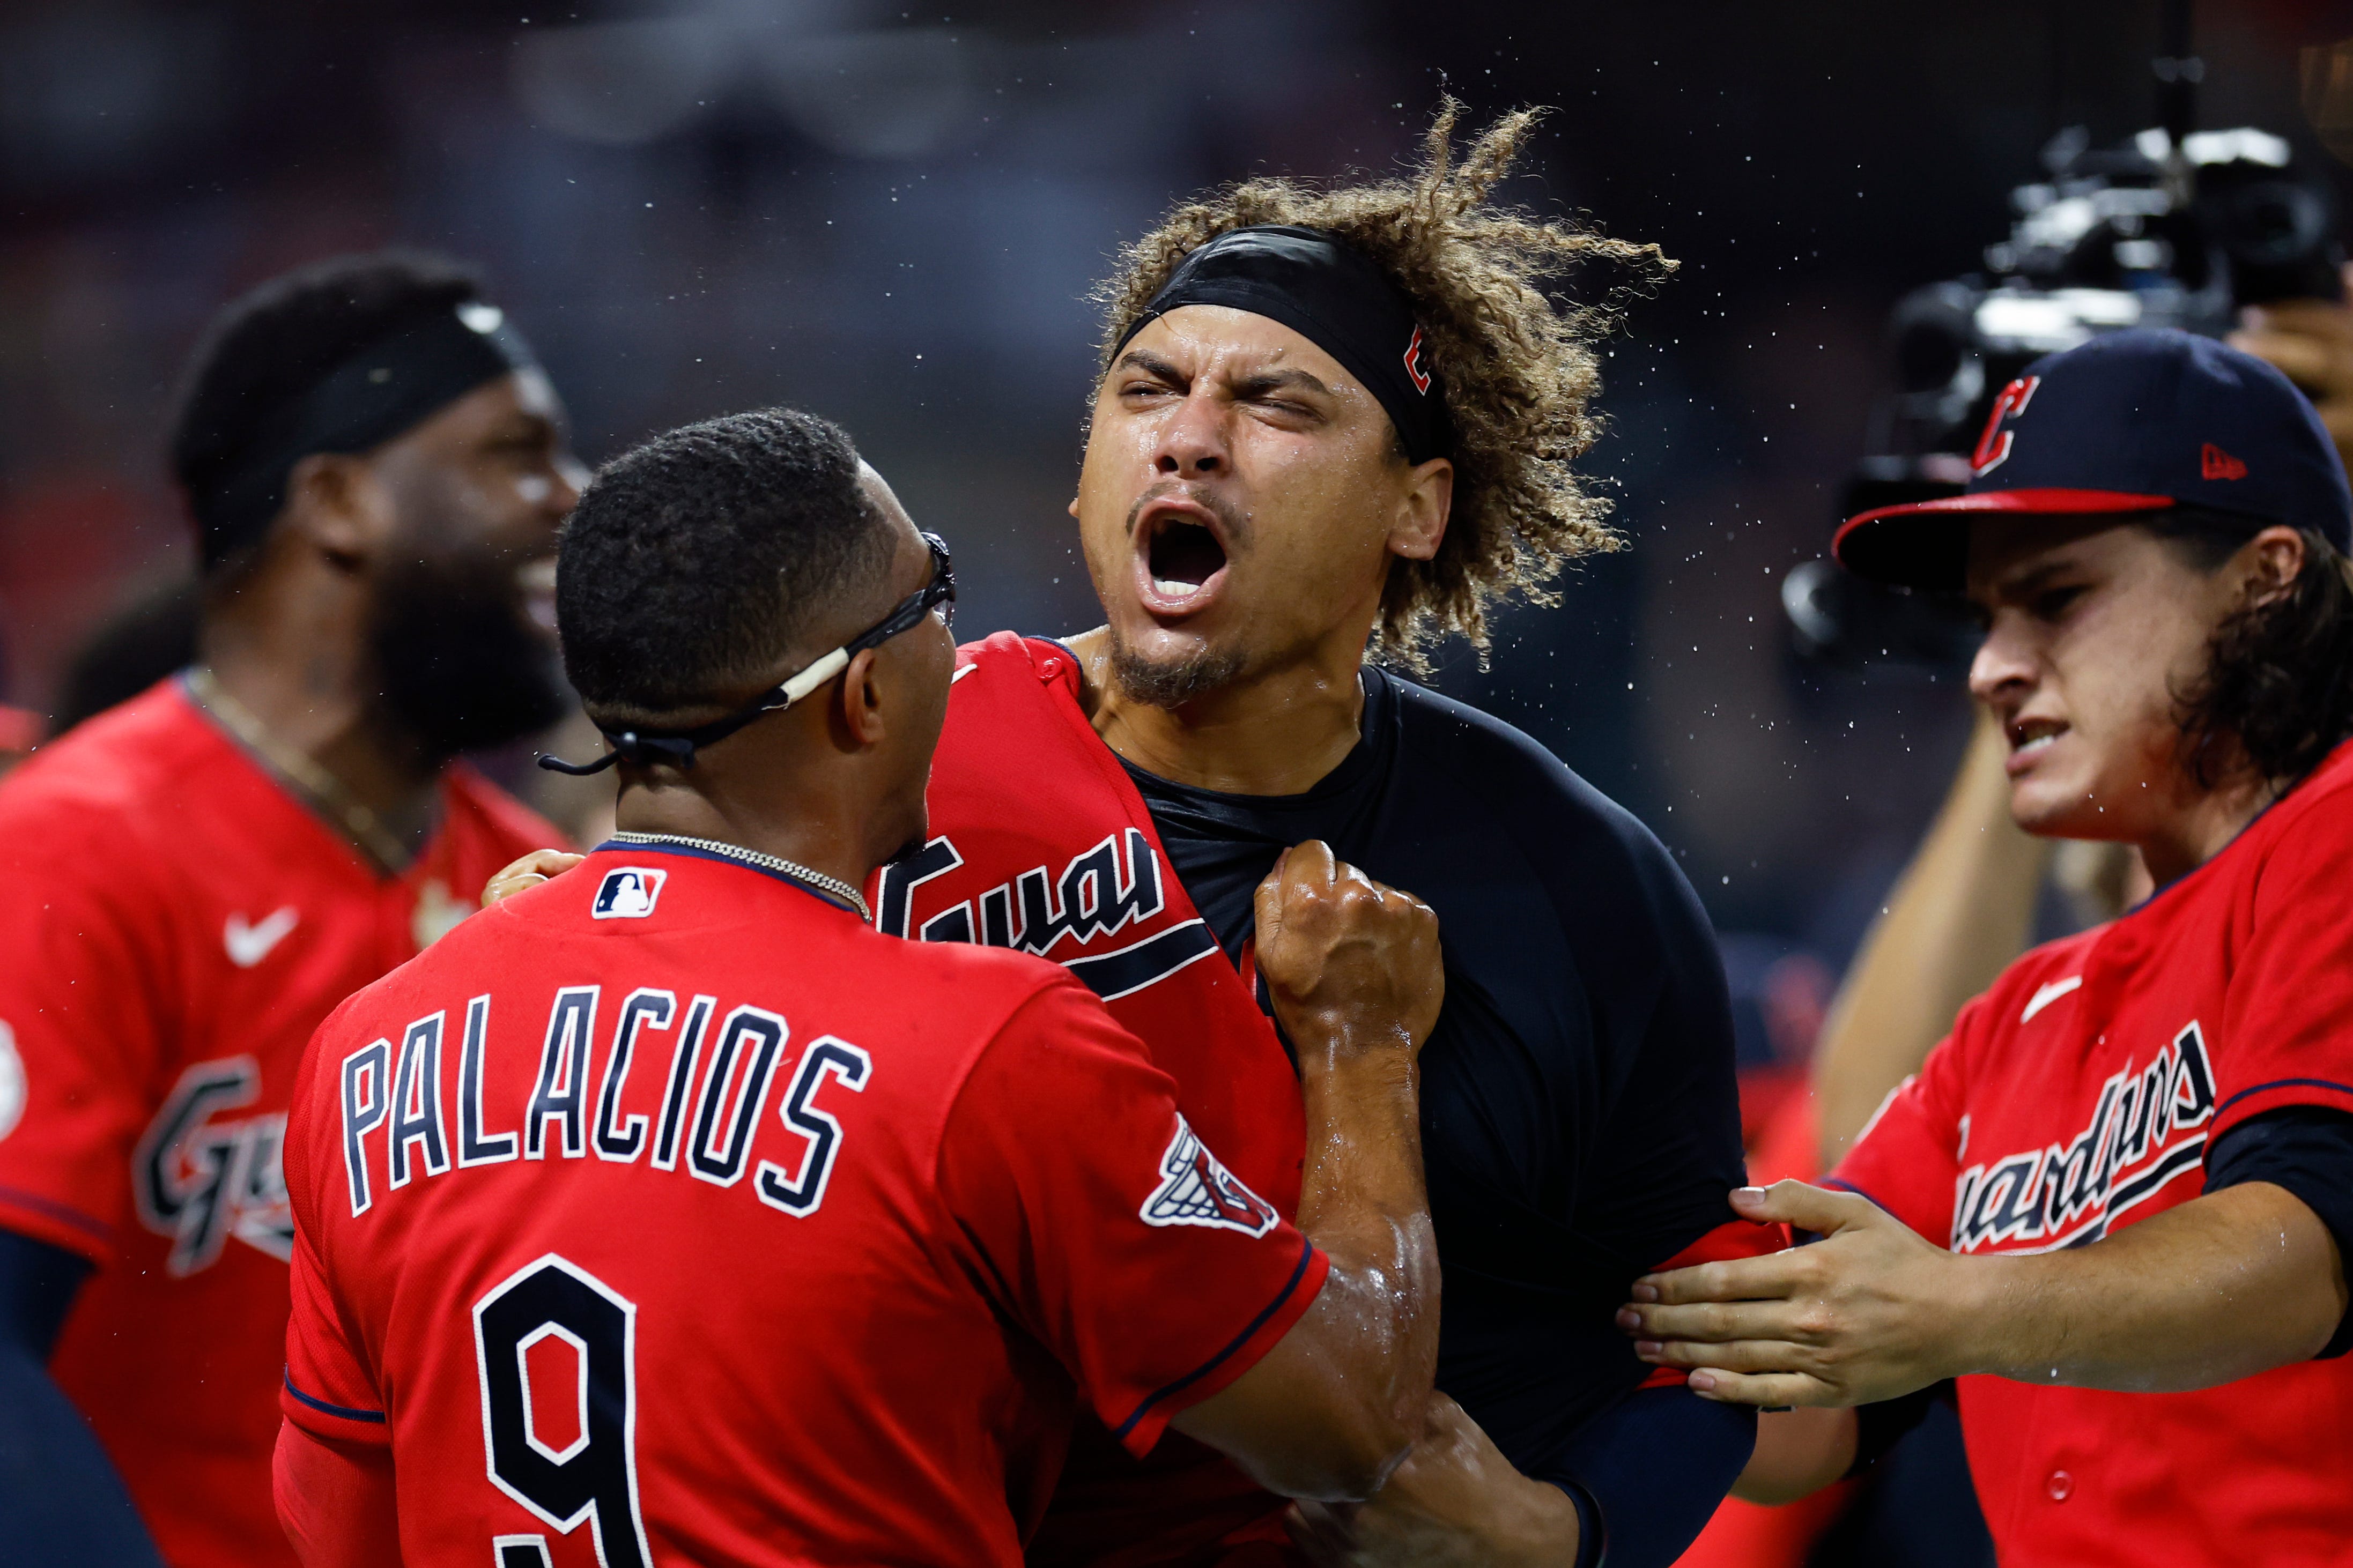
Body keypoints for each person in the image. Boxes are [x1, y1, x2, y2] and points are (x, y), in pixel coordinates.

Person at [492, 102, 1767, 1568]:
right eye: (1146, 389)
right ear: (1083, 469)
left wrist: (1566, 1535)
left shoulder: (1570, 874)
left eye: (1279, 404)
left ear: (1416, 508)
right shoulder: (866, 758)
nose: (1191, 437)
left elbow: (1718, 1334)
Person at [274, 408, 1447, 1568]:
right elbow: (1350, 1416)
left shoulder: (365, 1048)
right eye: (935, 591)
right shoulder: (985, 1045)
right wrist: (1360, 1045)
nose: (965, 635)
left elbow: (338, 1531)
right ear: (864, 695)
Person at [1620, 328, 2353, 1566]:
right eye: (1985, 617)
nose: (1990, 669)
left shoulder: (2332, 839)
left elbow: (2307, 1260)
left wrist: (1957, 1306)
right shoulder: (2020, 1012)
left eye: (2057, 596)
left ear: (2264, 576)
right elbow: (1819, 1402)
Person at [0, 251, 583, 1566]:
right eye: (515, 454)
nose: (572, 497)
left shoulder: (525, 882)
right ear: (337, 501)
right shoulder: (74, 850)